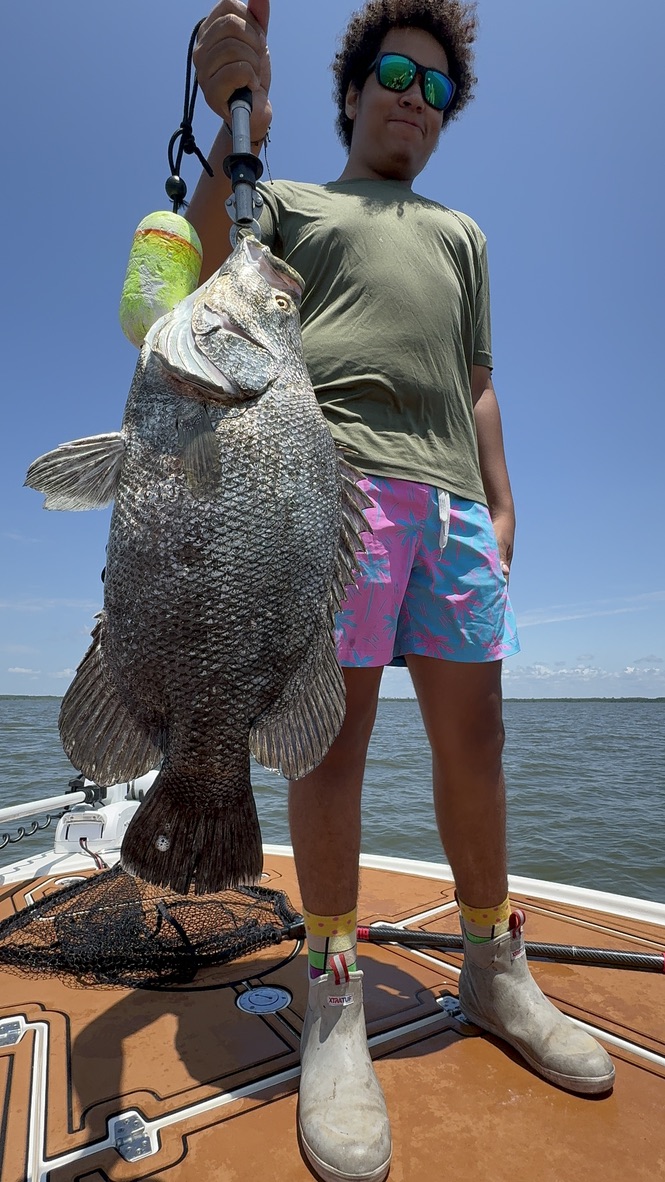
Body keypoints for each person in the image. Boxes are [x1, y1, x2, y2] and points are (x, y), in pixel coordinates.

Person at [187, 3, 615, 1179]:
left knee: (475, 741)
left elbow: (475, 381)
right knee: (332, 746)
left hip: (454, 508)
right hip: (333, 488)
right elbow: (201, 258)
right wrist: (230, 121)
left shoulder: (461, 233)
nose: (412, 100)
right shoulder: (295, 201)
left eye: (434, 89)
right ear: (350, 92)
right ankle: (332, 991)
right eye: (393, 73)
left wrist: (500, 496)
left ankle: (490, 964)